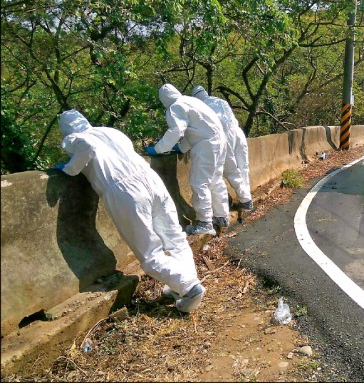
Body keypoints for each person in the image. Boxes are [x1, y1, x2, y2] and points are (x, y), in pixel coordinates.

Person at [54, 109, 205, 313]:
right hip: (150, 179)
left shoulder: (75, 137)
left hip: (124, 191)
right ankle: (183, 288)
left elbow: (86, 147)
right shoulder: (110, 131)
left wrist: (69, 168)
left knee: (150, 253)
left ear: (66, 129)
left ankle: (189, 287)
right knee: (175, 238)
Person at [146, 83, 229, 235]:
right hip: (220, 141)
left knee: (199, 182)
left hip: (206, 145)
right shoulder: (192, 101)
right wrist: (182, 148)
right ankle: (221, 216)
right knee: (215, 180)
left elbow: (176, 130)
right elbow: (196, 129)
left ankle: (204, 223)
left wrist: (158, 149)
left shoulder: (175, 107)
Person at [191, 85, 253, 213]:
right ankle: (247, 199)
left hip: (224, 137)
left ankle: (245, 200)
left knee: (231, 170)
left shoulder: (201, 108)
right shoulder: (219, 100)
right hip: (237, 132)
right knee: (243, 167)